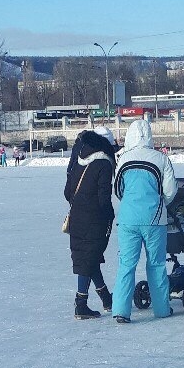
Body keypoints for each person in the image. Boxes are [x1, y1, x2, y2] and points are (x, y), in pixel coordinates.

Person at [111, 118, 177, 324]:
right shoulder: (161, 159)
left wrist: (131, 202)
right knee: (156, 265)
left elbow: (118, 190)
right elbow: (170, 190)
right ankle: (162, 309)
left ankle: (121, 311)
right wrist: (159, 203)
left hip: (128, 220)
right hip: (154, 220)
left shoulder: (122, 159)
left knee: (126, 265)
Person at [65, 129, 116, 320]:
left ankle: (106, 298)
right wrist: (109, 216)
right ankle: (81, 304)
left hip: (77, 215)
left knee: (89, 257)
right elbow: (104, 198)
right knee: (88, 259)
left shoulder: (79, 156)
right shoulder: (104, 163)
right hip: (94, 219)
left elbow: (67, 190)